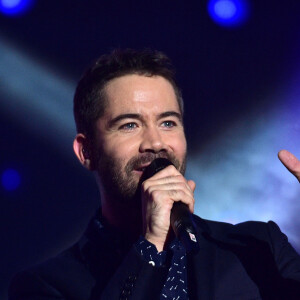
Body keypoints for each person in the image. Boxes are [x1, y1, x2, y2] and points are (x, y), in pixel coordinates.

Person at [8, 49, 300, 300]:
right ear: (87, 152)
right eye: (129, 125)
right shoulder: (46, 285)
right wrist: (150, 245)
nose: (156, 142)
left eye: (169, 123)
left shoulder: (258, 248)